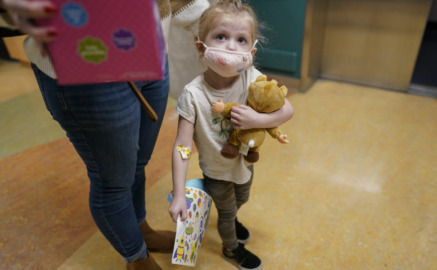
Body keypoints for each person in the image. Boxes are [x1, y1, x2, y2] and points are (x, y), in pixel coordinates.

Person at [0, 0, 210, 269]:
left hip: (151, 50)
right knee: (113, 183)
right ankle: (137, 258)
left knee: (136, 164)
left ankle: (140, 229)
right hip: (87, 68)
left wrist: (221, 28)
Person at [168, 1, 294, 269]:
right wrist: (179, 194)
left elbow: (287, 110)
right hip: (216, 171)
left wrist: (258, 119)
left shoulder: (251, 77)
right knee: (225, 212)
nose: (230, 46)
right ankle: (231, 248)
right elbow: (181, 147)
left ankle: (232, 217)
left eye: (241, 40)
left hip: (245, 163)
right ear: (200, 46)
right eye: (221, 36)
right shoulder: (193, 94)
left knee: (241, 198)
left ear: (251, 51)